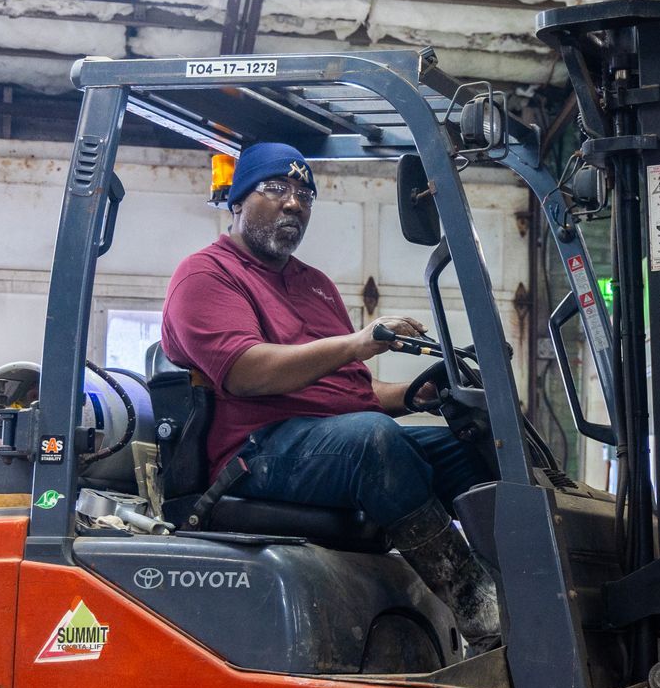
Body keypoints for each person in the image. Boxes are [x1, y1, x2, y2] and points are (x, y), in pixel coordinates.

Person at [160, 143, 500, 651]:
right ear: (236, 199)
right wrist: (358, 341)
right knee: (373, 443)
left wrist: (412, 394)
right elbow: (246, 371)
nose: (293, 203)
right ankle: (477, 607)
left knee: (472, 444)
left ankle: (527, 592)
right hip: (256, 453)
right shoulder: (206, 275)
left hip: (332, 443)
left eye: (304, 195)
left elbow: (353, 393)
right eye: (275, 189)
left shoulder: (313, 285)